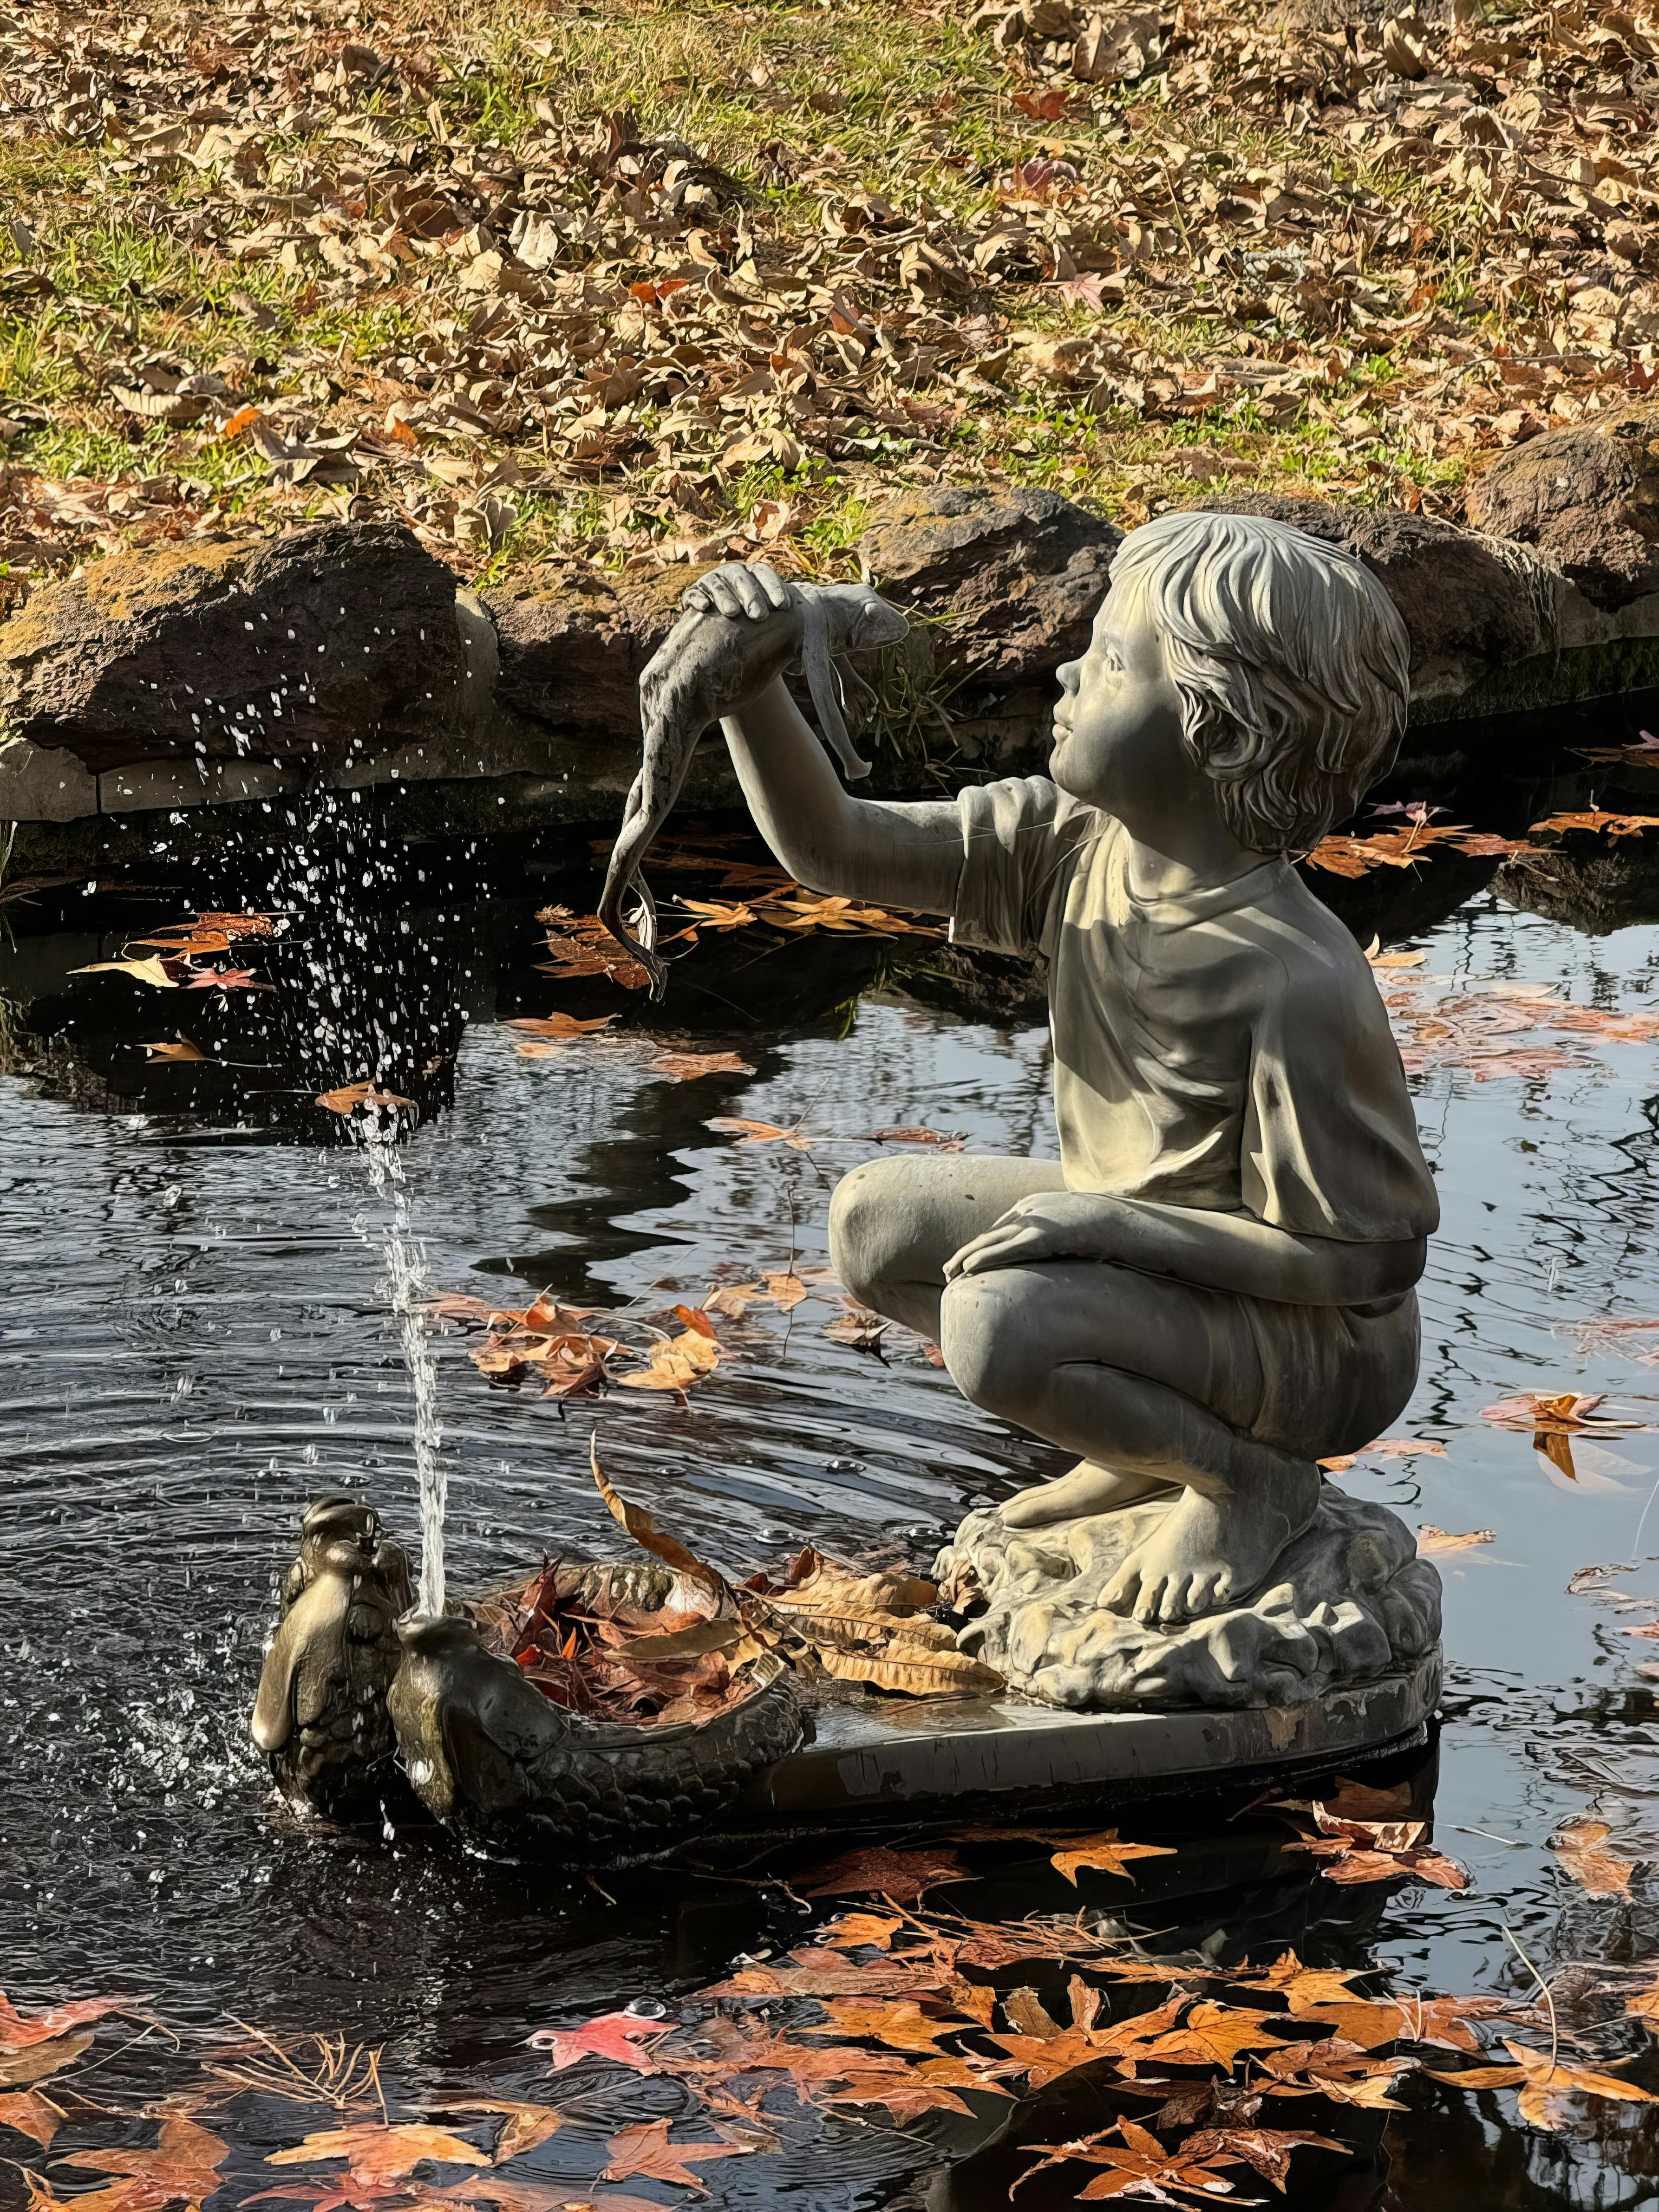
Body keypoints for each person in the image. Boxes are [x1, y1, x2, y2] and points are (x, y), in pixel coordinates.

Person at [671, 509, 1437, 1630]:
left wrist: (1105, 1232)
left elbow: (1364, 1263)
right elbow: (832, 845)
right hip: (1154, 1266)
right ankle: (1141, 1448)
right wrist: (746, 683)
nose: (1068, 671)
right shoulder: (1071, 843)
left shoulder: (1294, 979)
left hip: (1312, 1338)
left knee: (996, 1324)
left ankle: (1246, 1481)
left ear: (1216, 731)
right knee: (871, 1226)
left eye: (1114, 659)